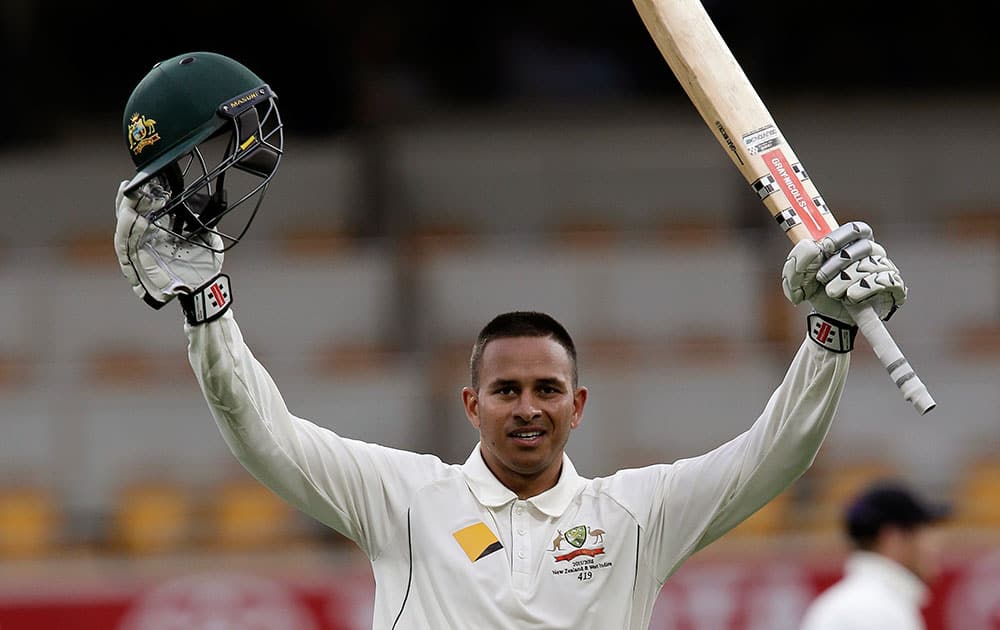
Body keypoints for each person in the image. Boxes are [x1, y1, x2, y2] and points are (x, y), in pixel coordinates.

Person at [113, 51, 909, 629]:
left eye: (546, 389)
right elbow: (265, 437)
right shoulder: (405, 501)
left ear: (578, 405)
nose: (527, 408)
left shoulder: (634, 517)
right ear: (472, 403)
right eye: (506, 390)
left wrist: (828, 337)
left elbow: (776, 455)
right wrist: (208, 311)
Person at [799, 480, 951, 630]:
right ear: (893, 538)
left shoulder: (861, 602)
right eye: (925, 533)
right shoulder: (877, 609)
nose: (935, 547)